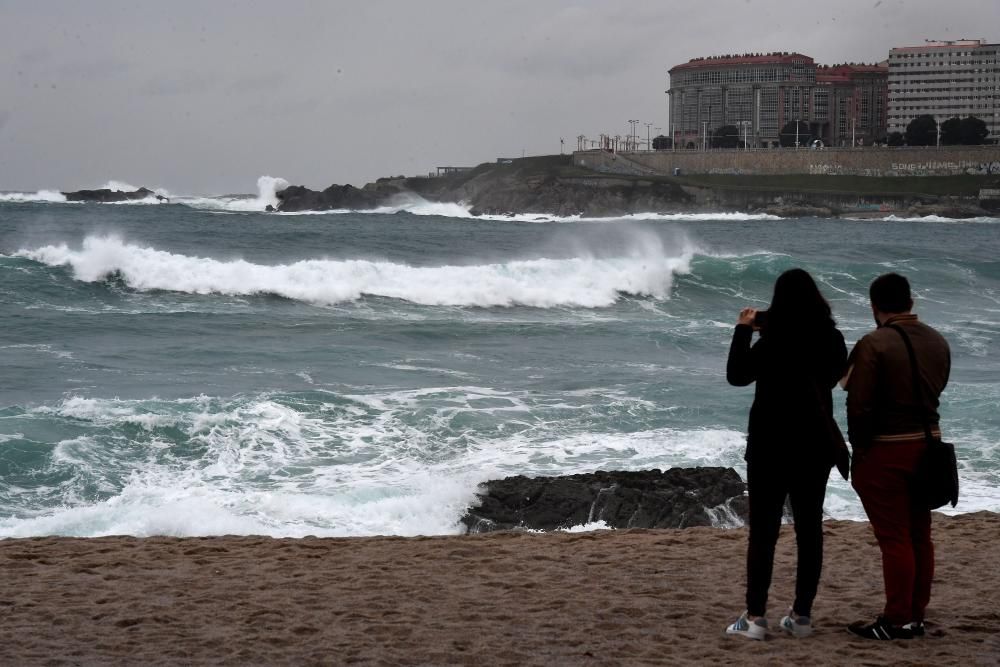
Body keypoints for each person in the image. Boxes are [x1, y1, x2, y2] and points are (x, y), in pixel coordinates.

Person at [724, 268, 847, 640]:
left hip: (770, 446)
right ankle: (802, 616)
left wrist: (744, 329)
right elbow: (831, 379)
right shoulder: (832, 339)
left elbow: (737, 375)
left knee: (764, 532)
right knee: (810, 530)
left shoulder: (772, 343)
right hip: (814, 445)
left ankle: (756, 617)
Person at [844, 273, 950, 640]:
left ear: (874, 306)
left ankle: (897, 619)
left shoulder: (874, 343)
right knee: (920, 534)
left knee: (894, 538)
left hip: (887, 449)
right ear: (911, 302)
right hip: (930, 446)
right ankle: (915, 614)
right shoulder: (938, 341)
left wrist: (860, 452)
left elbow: (857, 405)